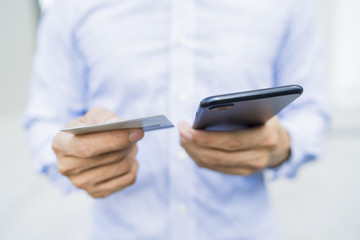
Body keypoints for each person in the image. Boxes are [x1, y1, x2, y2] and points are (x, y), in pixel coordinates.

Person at [24, 0, 330, 239]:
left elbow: (311, 113)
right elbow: (45, 120)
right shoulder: (71, 7)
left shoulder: (289, 5)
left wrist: (282, 145)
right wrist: (71, 153)